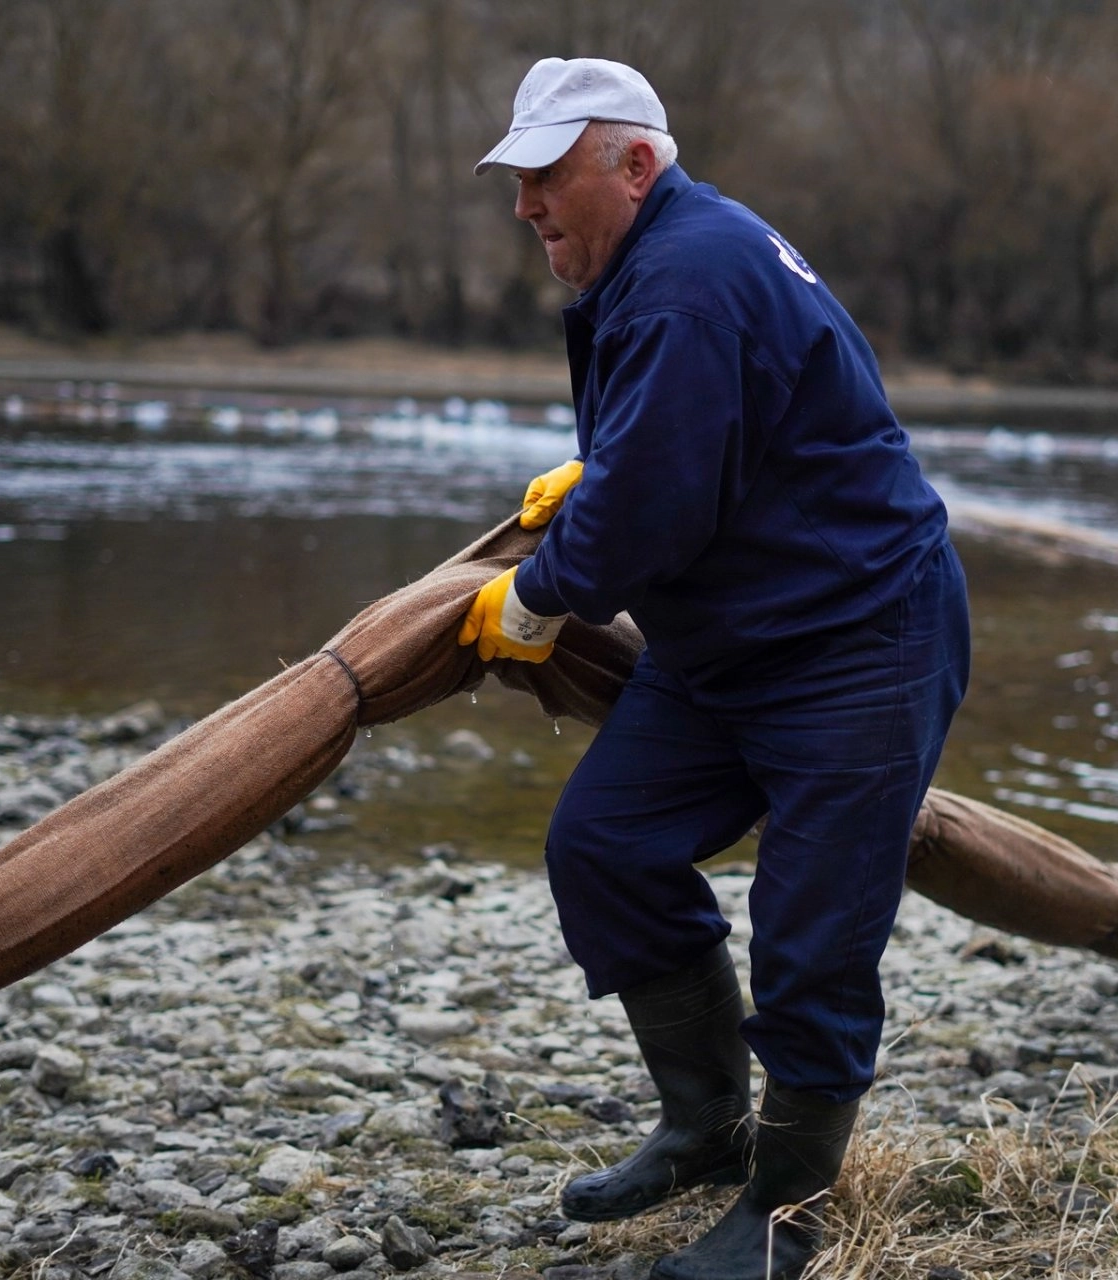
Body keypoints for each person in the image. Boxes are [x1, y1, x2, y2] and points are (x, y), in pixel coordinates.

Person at [457, 57, 970, 1280]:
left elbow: (652, 507)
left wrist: (538, 592)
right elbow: (678, 446)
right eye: (519, 181)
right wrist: (598, 471)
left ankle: (785, 1214)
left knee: (811, 938)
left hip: (857, 638)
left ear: (635, 164)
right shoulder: (672, 256)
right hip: (732, 638)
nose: (526, 206)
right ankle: (705, 1127)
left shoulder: (687, 280)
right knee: (607, 844)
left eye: (547, 177)